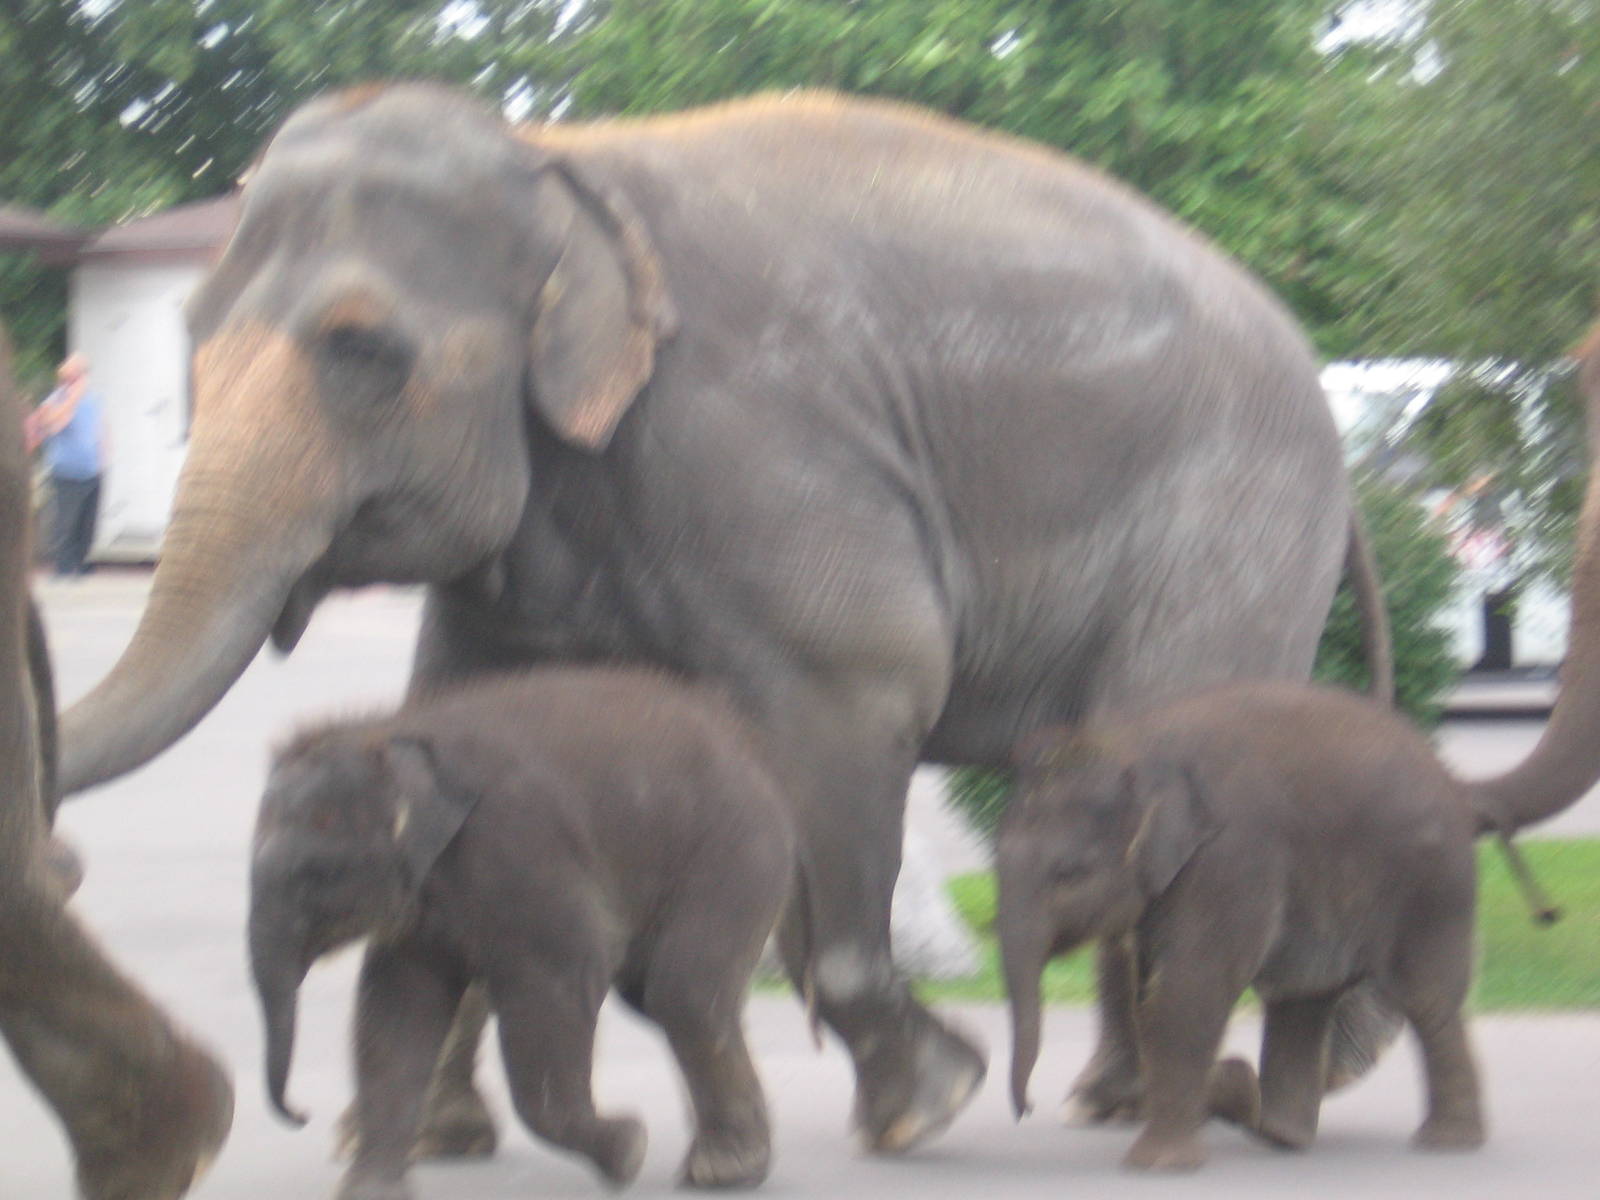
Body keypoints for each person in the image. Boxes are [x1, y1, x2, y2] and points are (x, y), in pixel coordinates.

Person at [27, 353, 106, 577]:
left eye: (80, 374)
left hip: (92, 469)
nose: (78, 380)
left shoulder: (93, 399)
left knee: (87, 522)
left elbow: (99, 428)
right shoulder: (55, 400)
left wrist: (104, 456)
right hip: (67, 471)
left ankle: (80, 563)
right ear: (65, 377)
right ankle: (63, 566)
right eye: (73, 375)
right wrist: (72, 398)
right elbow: (54, 424)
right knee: (66, 521)